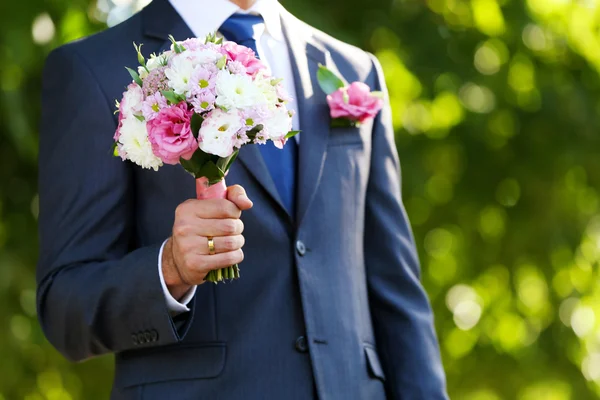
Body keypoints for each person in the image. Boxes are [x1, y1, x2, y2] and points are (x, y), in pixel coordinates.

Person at [36, 0, 449, 398]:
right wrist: (170, 270)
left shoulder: (353, 69)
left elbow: (394, 286)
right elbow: (64, 309)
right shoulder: (94, 70)